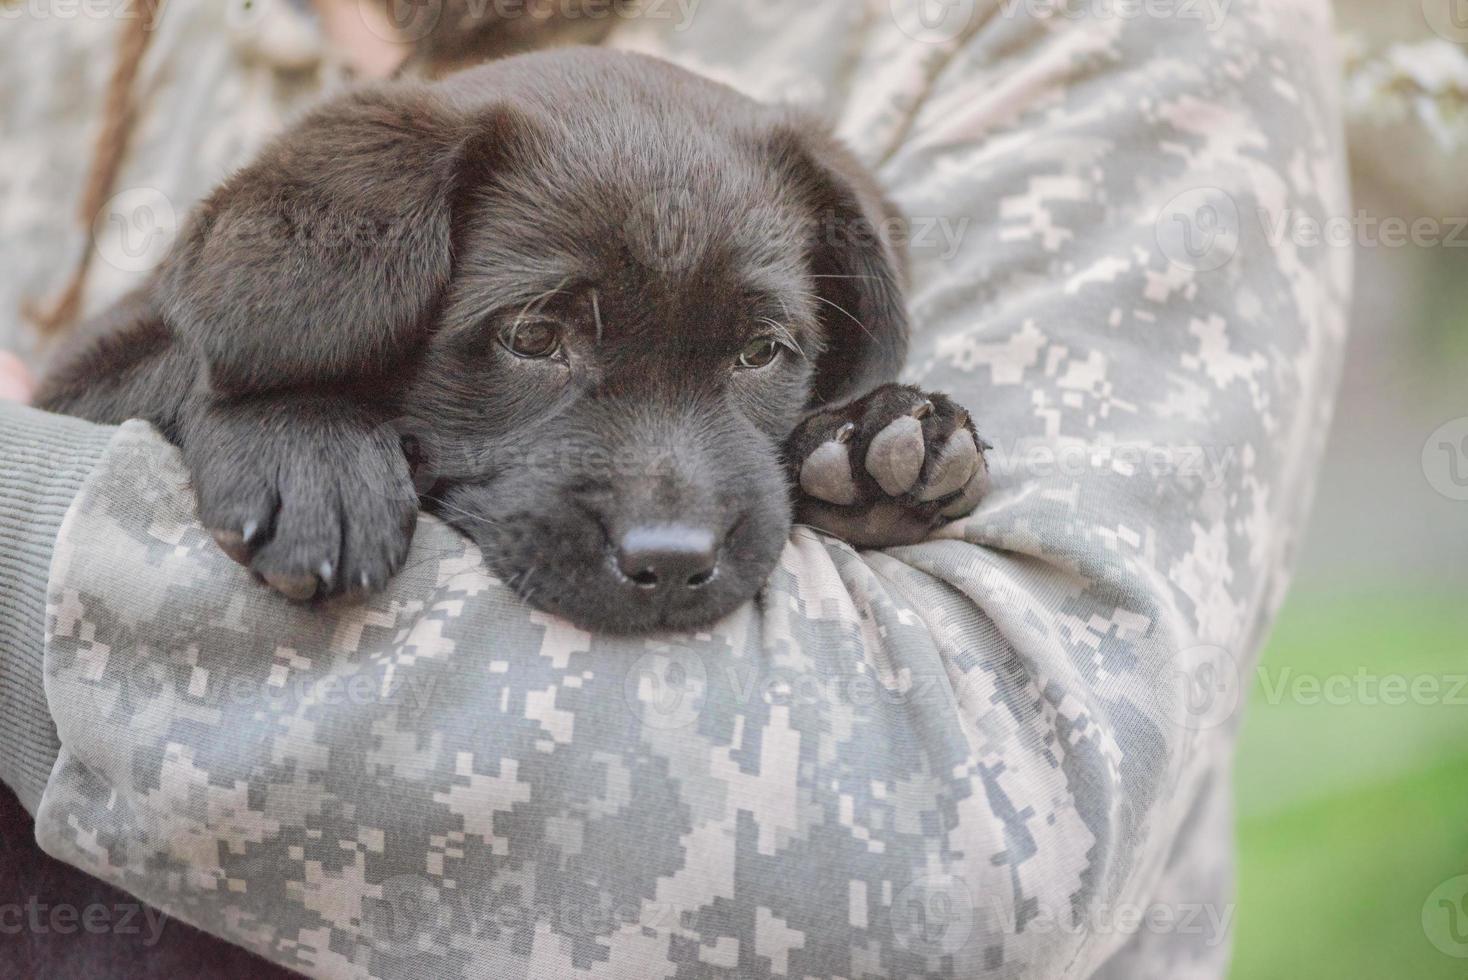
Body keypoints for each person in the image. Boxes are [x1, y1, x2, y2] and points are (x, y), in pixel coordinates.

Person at [0, 1, 1350, 976]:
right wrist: (242, 411)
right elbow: (132, 370)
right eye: (542, 337)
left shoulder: (1102, 32)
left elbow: (958, 851)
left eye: (762, 353)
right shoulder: (77, 42)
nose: (671, 511)